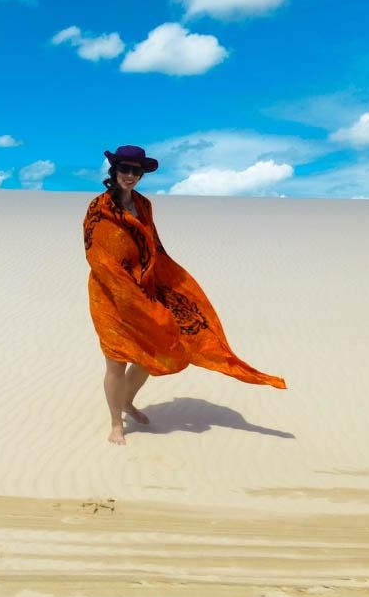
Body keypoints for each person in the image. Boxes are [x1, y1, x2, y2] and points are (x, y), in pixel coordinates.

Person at [83, 145, 287, 445]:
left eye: (135, 171)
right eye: (124, 169)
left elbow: (154, 248)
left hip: (146, 286)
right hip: (110, 294)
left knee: (151, 353)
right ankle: (116, 423)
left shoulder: (144, 205)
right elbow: (97, 256)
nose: (129, 175)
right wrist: (128, 295)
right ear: (114, 171)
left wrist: (169, 285)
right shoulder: (98, 208)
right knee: (117, 360)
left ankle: (127, 402)